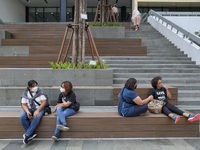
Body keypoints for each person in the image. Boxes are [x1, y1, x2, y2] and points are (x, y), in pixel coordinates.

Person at [20, 80, 47, 145]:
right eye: (33, 86)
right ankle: (31, 134)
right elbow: (23, 104)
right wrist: (27, 112)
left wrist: (37, 110)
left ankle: (27, 135)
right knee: (22, 117)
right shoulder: (25, 93)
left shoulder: (40, 92)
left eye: (36, 85)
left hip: (40, 108)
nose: (35, 87)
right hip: (29, 108)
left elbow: (44, 102)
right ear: (29, 87)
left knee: (36, 116)